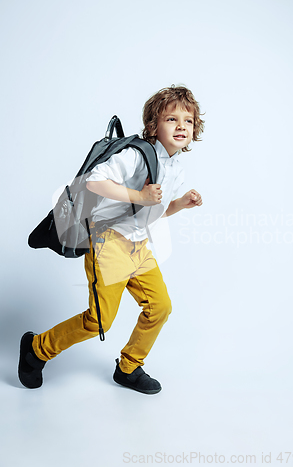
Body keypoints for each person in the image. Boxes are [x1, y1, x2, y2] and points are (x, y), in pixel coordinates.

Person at [18, 85, 204, 394]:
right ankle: (37, 349)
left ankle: (128, 367)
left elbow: (153, 212)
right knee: (98, 321)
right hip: (108, 243)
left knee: (160, 307)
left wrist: (179, 204)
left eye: (188, 120)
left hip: (139, 245)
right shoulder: (135, 155)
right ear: (153, 125)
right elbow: (93, 182)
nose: (181, 126)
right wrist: (138, 194)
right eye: (171, 119)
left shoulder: (176, 169)